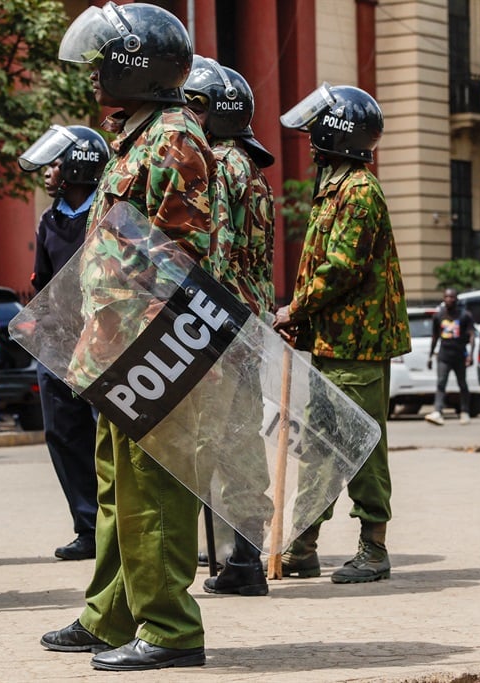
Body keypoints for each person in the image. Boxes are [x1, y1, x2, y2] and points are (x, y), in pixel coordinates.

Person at [39, 3, 214, 671]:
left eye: (103, 62)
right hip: (115, 350)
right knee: (118, 490)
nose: (92, 75)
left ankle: (170, 627)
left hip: (148, 350)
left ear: (136, 69)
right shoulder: (138, 136)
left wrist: (146, 354)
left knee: (154, 494)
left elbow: (179, 257)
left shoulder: (173, 138)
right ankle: (113, 611)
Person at [274, 83, 410, 584]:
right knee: (320, 443)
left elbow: (340, 268)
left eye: (316, 130)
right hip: (333, 341)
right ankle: (303, 546)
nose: (309, 138)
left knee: (359, 443)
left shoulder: (357, 192)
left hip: (359, 345)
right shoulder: (334, 186)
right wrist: (304, 320)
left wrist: (294, 309)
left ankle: (374, 548)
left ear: (336, 133)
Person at [183, 55, 275, 597]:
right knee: (242, 444)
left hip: (221, 327)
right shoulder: (252, 167)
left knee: (211, 442)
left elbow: (214, 257)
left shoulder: (219, 166)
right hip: (250, 324)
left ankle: (237, 558)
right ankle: (246, 558)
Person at [18, 123, 108, 562]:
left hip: (101, 343)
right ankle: (87, 526)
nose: (48, 173)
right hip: (57, 344)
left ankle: (114, 528)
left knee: (104, 437)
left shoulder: (107, 214)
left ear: (79, 166)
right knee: (63, 432)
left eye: (55, 164)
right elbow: (41, 280)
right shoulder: (49, 219)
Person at [425, 288, 476, 426]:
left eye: (452, 297)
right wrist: (430, 356)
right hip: (444, 355)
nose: (449, 299)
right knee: (441, 383)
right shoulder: (438, 316)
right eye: (446, 297)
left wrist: (471, 355)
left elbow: (472, 335)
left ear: (456, 299)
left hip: (459, 355)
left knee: (462, 384)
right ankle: (438, 412)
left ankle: (465, 412)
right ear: (443, 298)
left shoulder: (465, 315)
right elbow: (435, 337)